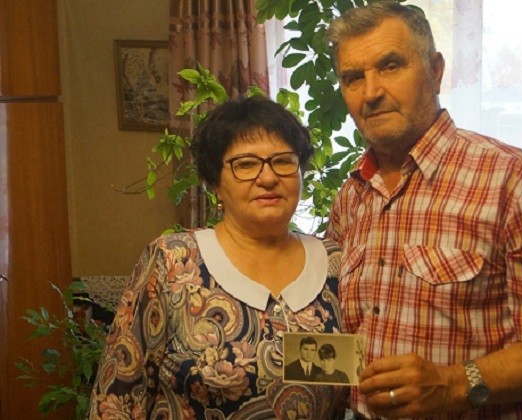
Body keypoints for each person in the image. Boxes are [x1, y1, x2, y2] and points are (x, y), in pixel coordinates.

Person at [325, 2, 522, 419]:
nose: (371, 92)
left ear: (435, 70)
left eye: (390, 66)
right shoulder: (352, 195)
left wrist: (455, 384)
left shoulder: (519, 183)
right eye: (353, 77)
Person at [88, 96, 347, 419]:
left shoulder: (334, 263)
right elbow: (116, 400)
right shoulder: (174, 262)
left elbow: (349, 386)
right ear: (215, 184)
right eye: (246, 164)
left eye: (283, 161)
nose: (268, 178)